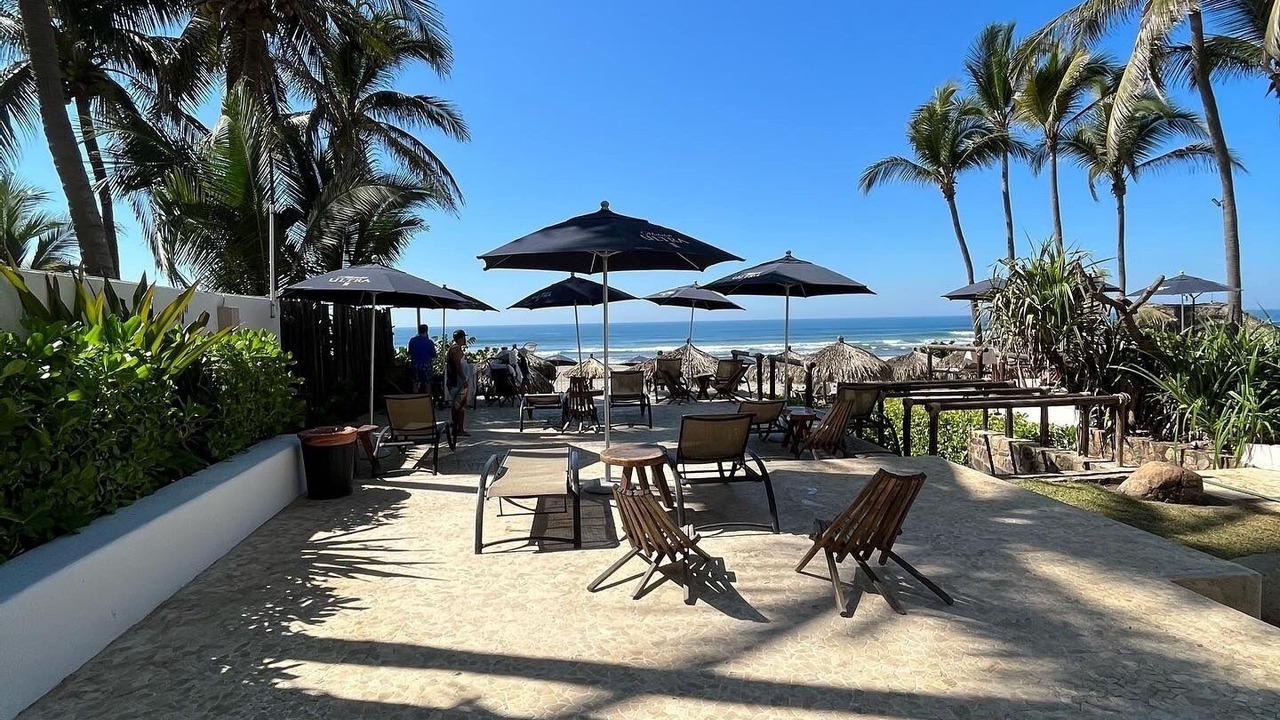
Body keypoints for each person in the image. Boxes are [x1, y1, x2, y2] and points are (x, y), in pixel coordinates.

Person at [446, 329, 471, 436]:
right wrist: (464, 379)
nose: (465, 340)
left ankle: (455, 426)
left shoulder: (456, 348)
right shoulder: (456, 349)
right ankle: (460, 429)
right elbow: (457, 366)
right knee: (460, 406)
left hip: (455, 381)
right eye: (464, 338)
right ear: (460, 338)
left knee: (456, 405)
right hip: (457, 381)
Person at [407, 324, 437, 394]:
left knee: (415, 383)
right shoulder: (429, 342)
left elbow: (410, 352)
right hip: (426, 363)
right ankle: (427, 401)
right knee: (427, 383)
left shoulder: (412, 341)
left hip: (415, 363)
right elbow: (433, 355)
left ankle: (416, 400)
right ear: (427, 331)